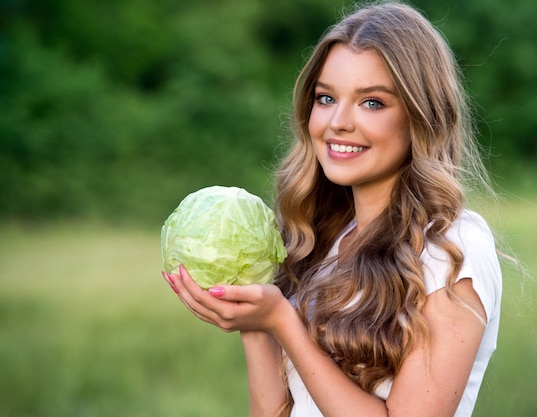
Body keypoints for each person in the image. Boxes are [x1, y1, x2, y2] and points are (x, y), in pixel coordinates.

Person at [163, 2, 503, 416]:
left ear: (421, 115)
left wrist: (284, 323)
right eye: (326, 98)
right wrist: (255, 325)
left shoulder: (452, 249)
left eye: (372, 102)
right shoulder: (324, 244)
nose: (337, 122)